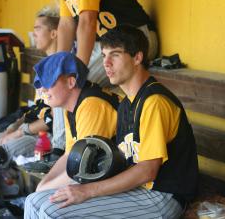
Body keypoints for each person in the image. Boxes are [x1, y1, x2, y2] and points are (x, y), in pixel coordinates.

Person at [24, 25, 198, 219]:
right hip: (136, 190)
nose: (106, 63)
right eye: (104, 55)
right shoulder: (127, 104)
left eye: (115, 55)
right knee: (34, 201)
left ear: (137, 58)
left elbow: (147, 171)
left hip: (162, 196)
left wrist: (88, 191)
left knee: (53, 211)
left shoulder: (153, 102)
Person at [26, 0, 158, 87]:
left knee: (73, 84)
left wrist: (79, 69)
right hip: (109, 44)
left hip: (137, 39)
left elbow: (87, 23)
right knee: (61, 79)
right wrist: (58, 64)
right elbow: (66, 24)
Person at [27, 51, 118, 193]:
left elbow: (84, 165)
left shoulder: (91, 105)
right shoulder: (70, 107)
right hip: (103, 174)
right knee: (39, 196)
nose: (43, 89)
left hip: (124, 179)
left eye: (49, 82)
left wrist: (44, 190)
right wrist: (42, 186)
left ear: (71, 82)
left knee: (42, 201)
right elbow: (69, 154)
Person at [0, 6, 65, 159]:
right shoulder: (44, 66)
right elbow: (37, 108)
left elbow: (53, 118)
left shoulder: (62, 69)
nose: (33, 34)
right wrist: (14, 126)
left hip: (47, 136)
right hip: (31, 129)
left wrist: (20, 131)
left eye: (37, 28)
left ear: (53, 33)